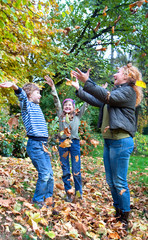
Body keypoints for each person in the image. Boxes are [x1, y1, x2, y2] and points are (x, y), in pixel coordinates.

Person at [70, 63, 143, 229]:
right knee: (111, 181)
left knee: (119, 181)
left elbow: (108, 97)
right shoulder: (117, 91)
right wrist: (79, 89)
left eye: (118, 72)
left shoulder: (128, 91)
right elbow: (98, 100)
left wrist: (88, 81)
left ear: (128, 76)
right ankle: (117, 213)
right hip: (110, 141)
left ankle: (124, 218)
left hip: (121, 141)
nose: (115, 74)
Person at [0, 81, 54, 209]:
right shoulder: (27, 105)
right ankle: (38, 200)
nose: (40, 95)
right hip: (35, 145)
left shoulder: (36, 106)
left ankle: (48, 199)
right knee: (45, 173)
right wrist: (14, 86)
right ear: (29, 94)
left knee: (50, 174)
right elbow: (21, 95)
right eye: (37, 93)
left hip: (43, 144)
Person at [44, 75, 88, 202]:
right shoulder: (60, 115)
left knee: (76, 170)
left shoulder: (78, 116)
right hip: (63, 143)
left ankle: (79, 194)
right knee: (65, 169)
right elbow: (56, 101)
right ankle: (68, 192)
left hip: (74, 143)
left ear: (74, 108)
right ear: (63, 108)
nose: (67, 107)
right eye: (66, 105)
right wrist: (53, 87)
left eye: (70, 105)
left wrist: (90, 91)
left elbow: (86, 103)